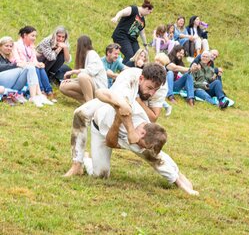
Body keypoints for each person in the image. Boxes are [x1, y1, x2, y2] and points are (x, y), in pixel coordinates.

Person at [63, 64, 198, 195]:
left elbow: (157, 157)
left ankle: (87, 160)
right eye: (149, 87)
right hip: (107, 109)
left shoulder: (143, 129)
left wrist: (180, 180)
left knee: (100, 175)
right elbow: (103, 94)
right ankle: (77, 164)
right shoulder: (128, 77)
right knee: (79, 113)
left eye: (154, 90)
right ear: (141, 79)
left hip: (117, 123)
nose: (151, 93)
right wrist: (130, 131)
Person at [0, 36, 51, 107]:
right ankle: (35, 96)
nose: (9, 48)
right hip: (2, 81)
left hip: (11, 84)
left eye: (10, 46)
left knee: (31, 67)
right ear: (0, 46)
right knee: (28, 67)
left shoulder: (8, 57)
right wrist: (16, 65)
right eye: (6, 46)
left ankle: (37, 96)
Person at [59, 35, 107, 103]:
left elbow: (91, 72)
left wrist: (73, 72)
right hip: (89, 84)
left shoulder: (92, 54)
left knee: (82, 76)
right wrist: (72, 80)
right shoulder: (84, 56)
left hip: (98, 87)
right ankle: (86, 102)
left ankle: (89, 104)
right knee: (63, 86)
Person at [13, 26, 55, 101]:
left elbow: (34, 60)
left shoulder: (31, 47)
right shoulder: (16, 45)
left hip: (30, 66)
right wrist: (33, 64)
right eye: (32, 36)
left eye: (35, 36)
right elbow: (17, 61)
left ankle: (48, 91)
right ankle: (41, 91)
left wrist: (39, 63)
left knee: (40, 67)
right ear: (25, 35)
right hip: (21, 69)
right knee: (36, 68)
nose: (34, 38)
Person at [111, 0, 153, 64]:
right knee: (129, 55)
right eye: (150, 12)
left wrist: (145, 45)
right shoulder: (133, 10)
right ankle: (123, 70)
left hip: (132, 40)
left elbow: (142, 33)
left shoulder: (142, 20)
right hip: (121, 36)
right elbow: (122, 12)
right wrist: (116, 17)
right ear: (147, 8)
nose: (149, 14)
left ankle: (132, 70)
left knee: (138, 56)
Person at [154, 53, 172, 117]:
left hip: (161, 87)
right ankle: (167, 106)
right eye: (157, 61)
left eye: (160, 62)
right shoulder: (155, 67)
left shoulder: (162, 70)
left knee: (158, 98)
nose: (158, 63)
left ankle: (167, 106)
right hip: (157, 86)